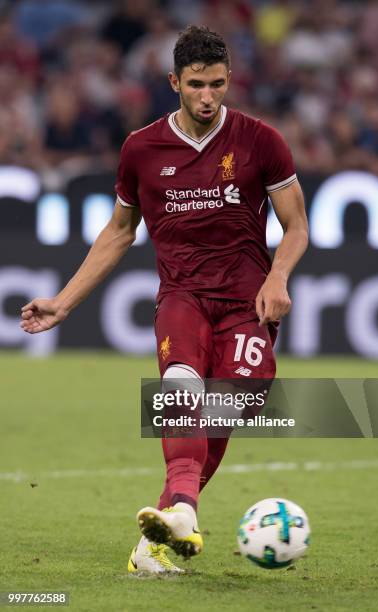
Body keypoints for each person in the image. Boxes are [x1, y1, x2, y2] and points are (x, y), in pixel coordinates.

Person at [20, 25, 308, 574]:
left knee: (229, 411)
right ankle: (181, 511)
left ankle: (163, 534)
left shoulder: (260, 141)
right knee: (180, 392)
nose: (207, 97)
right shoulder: (141, 148)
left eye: (218, 85)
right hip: (182, 297)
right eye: (196, 85)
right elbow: (119, 231)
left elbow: (296, 227)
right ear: (174, 80)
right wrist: (64, 301)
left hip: (247, 303)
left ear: (230, 81)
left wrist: (279, 277)